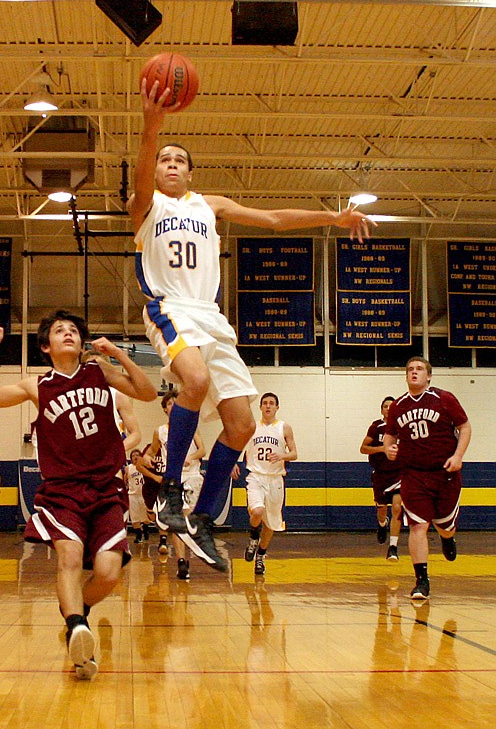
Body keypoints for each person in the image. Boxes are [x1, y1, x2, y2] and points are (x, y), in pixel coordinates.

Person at [129, 78, 373, 571]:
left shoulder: (209, 205)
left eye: (179, 160)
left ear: (191, 172)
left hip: (212, 318)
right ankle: (170, 491)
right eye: (164, 159)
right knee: (193, 382)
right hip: (169, 307)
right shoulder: (145, 206)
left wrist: (332, 217)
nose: (170, 164)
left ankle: (199, 518)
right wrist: (152, 126)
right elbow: (141, 168)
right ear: (155, 169)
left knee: (240, 425)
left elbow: (274, 219)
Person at [0, 311, 157, 679]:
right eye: (60, 331)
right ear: (46, 346)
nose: (69, 334)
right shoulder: (37, 386)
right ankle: (75, 626)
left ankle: (79, 616)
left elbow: (147, 392)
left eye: (73, 330)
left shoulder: (99, 374)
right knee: (70, 559)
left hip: (106, 488)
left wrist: (119, 355)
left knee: (108, 574)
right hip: (64, 490)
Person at [383, 357, 471, 601]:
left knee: (444, 525)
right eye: (410, 369)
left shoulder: (444, 398)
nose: (414, 373)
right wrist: (389, 449)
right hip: (413, 474)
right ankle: (421, 580)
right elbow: (389, 437)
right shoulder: (399, 405)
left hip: (444, 473)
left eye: (419, 369)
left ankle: (447, 537)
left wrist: (458, 455)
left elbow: (465, 427)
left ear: (429, 376)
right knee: (418, 526)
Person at [141, 389, 206, 580]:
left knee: (186, 521)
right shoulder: (160, 431)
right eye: (169, 404)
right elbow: (152, 451)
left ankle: (189, 550)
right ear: (165, 409)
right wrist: (146, 457)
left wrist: (191, 457)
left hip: (192, 475)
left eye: (176, 403)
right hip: (174, 478)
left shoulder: (191, 426)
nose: (173, 406)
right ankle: (181, 562)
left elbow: (202, 450)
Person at [241, 393, 298, 576]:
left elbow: (294, 454)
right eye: (264, 403)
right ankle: (252, 537)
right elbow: (238, 446)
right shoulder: (252, 427)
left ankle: (261, 555)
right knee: (257, 511)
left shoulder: (284, 428)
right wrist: (232, 462)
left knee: (272, 524)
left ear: (277, 407)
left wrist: (283, 455)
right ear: (260, 407)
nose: (268, 406)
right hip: (256, 476)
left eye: (271, 403)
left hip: (275, 479)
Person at [360, 396, 403, 561]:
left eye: (392, 406)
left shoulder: (402, 426)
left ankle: (393, 547)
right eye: (385, 406)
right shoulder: (376, 427)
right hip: (380, 474)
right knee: (382, 509)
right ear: (381, 410)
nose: (388, 408)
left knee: (397, 508)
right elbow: (363, 448)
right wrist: (382, 449)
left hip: (398, 473)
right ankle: (382, 523)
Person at [124, 448, 150, 544]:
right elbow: (125, 481)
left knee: (146, 518)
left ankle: (146, 529)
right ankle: (138, 535)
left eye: (137, 455)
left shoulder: (145, 466)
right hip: (132, 495)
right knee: (134, 518)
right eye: (133, 455)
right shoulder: (128, 468)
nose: (135, 457)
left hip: (144, 495)